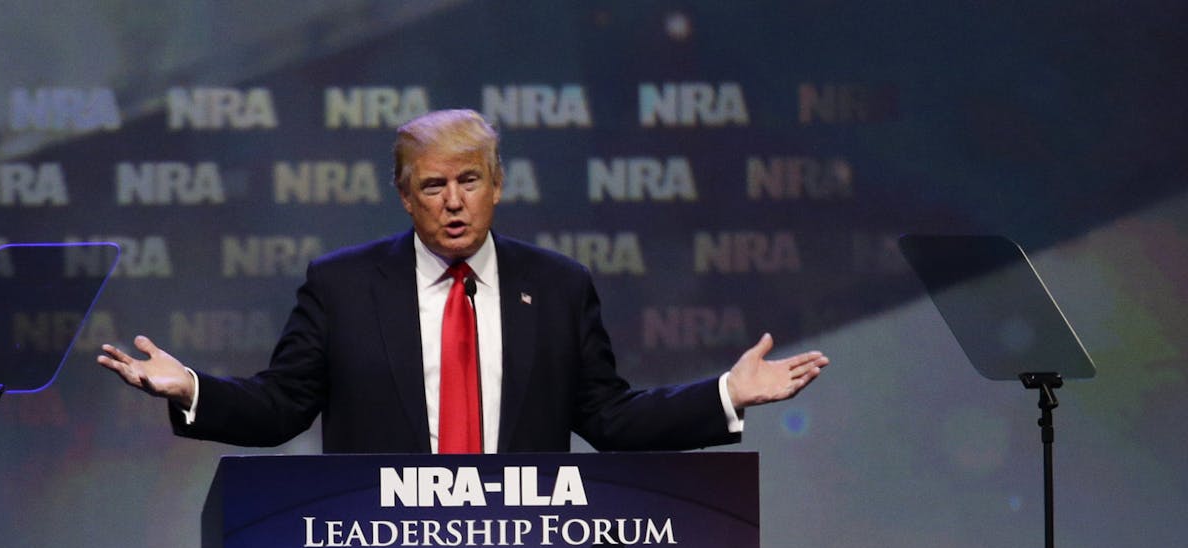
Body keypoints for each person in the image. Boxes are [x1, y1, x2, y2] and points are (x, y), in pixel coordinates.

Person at [98, 108, 828, 453]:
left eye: (470, 181)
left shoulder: (561, 285)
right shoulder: (342, 287)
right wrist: (191, 387)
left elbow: (608, 417)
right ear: (406, 196)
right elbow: (283, 406)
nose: (454, 201)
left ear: (497, 186)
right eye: (434, 185)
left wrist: (727, 394)